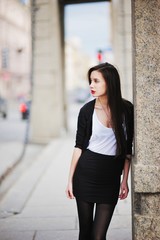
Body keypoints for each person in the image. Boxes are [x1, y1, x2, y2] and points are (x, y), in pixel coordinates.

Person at [66, 62, 134, 240]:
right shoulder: (86, 111)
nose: (91, 85)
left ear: (109, 82)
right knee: (85, 233)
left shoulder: (126, 110)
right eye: (90, 81)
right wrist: (70, 180)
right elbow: (79, 146)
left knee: (99, 236)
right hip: (86, 175)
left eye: (96, 81)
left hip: (110, 180)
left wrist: (124, 180)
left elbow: (127, 150)